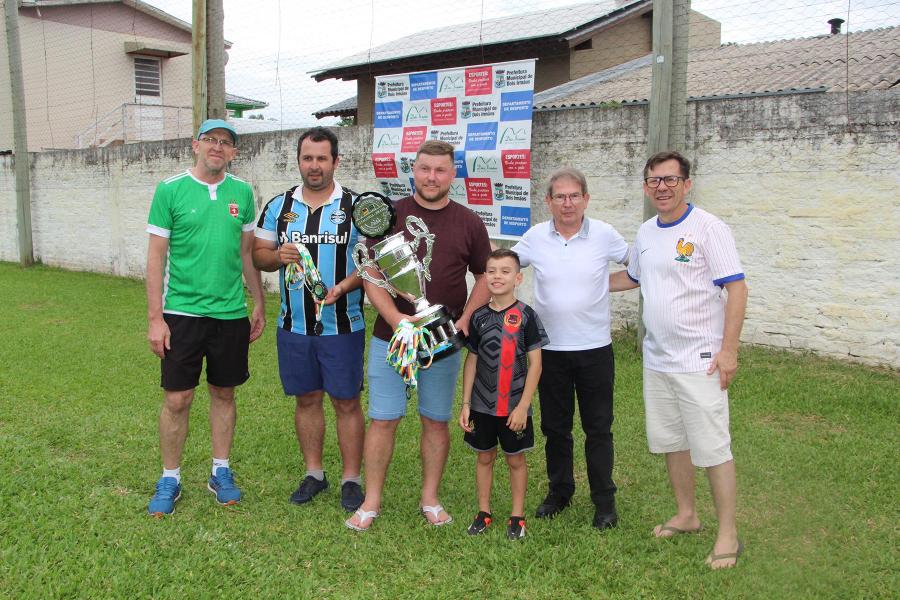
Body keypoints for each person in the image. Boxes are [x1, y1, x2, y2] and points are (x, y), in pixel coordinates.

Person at [610, 151, 748, 569]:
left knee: (713, 446)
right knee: (673, 443)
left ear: (687, 184)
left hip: (701, 359)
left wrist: (729, 351)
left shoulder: (709, 228)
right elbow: (630, 278)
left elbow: (737, 289)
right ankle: (687, 514)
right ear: (646, 188)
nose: (662, 187)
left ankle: (728, 534)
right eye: (654, 180)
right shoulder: (647, 231)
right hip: (658, 360)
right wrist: (575, 282)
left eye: (670, 179)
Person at [345, 140, 492, 531]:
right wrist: (396, 319)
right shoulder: (388, 215)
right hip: (389, 337)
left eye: (440, 170)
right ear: (414, 169)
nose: (432, 177)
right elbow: (370, 272)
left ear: (452, 174)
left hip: (442, 339)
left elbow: (484, 278)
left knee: (435, 421)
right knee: (383, 419)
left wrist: (465, 320)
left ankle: (430, 498)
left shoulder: (469, 222)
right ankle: (371, 501)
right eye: (425, 169)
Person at [145, 119, 265, 516]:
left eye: (225, 142)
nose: (217, 147)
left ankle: (220, 471)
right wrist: (155, 319)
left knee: (224, 393)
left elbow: (246, 254)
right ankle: (170, 477)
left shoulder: (243, 192)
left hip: (230, 314)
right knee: (178, 399)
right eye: (210, 140)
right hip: (181, 314)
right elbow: (156, 257)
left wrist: (259, 302)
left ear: (233, 152)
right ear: (196, 145)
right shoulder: (170, 190)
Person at [252, 127, 366, 512]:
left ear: (336, 161)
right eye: (307, 158)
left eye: (321, 158)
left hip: (343, 326)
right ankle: (314, 473)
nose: (314, 166)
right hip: (294, 326)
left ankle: (352, 479)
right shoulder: (277, 206)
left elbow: (373, 265)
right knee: (306, 399)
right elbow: (259, 255)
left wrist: (345, 286)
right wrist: (276, 257)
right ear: (298, 161)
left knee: (347, 402)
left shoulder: (356, 207)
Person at [512, 167, 628, 530]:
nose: (567, 203)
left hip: (595, 349)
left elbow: (638, 266)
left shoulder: (605, 235)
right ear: (548, 202)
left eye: (574, 195)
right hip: (550, 351)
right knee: (556, 428)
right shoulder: (535, 237)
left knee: (598, 428)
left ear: (586, 199)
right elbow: (504, 267)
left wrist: (600, 284)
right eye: (559, 196)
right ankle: (559, 492)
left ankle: (604, 502)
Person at [459, 249, 548, 540]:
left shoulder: (527, 316)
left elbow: (536, 364)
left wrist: (523, 406)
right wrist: (466, 403)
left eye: (505, 271)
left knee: (515, 461)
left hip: (514, 408)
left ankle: (517, 517)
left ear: (518, 278)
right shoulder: (479, 317)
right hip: (482, 406)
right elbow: (472, 359)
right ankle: (483, 513)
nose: (498, 277)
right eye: (492, 271)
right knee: (484, 457)